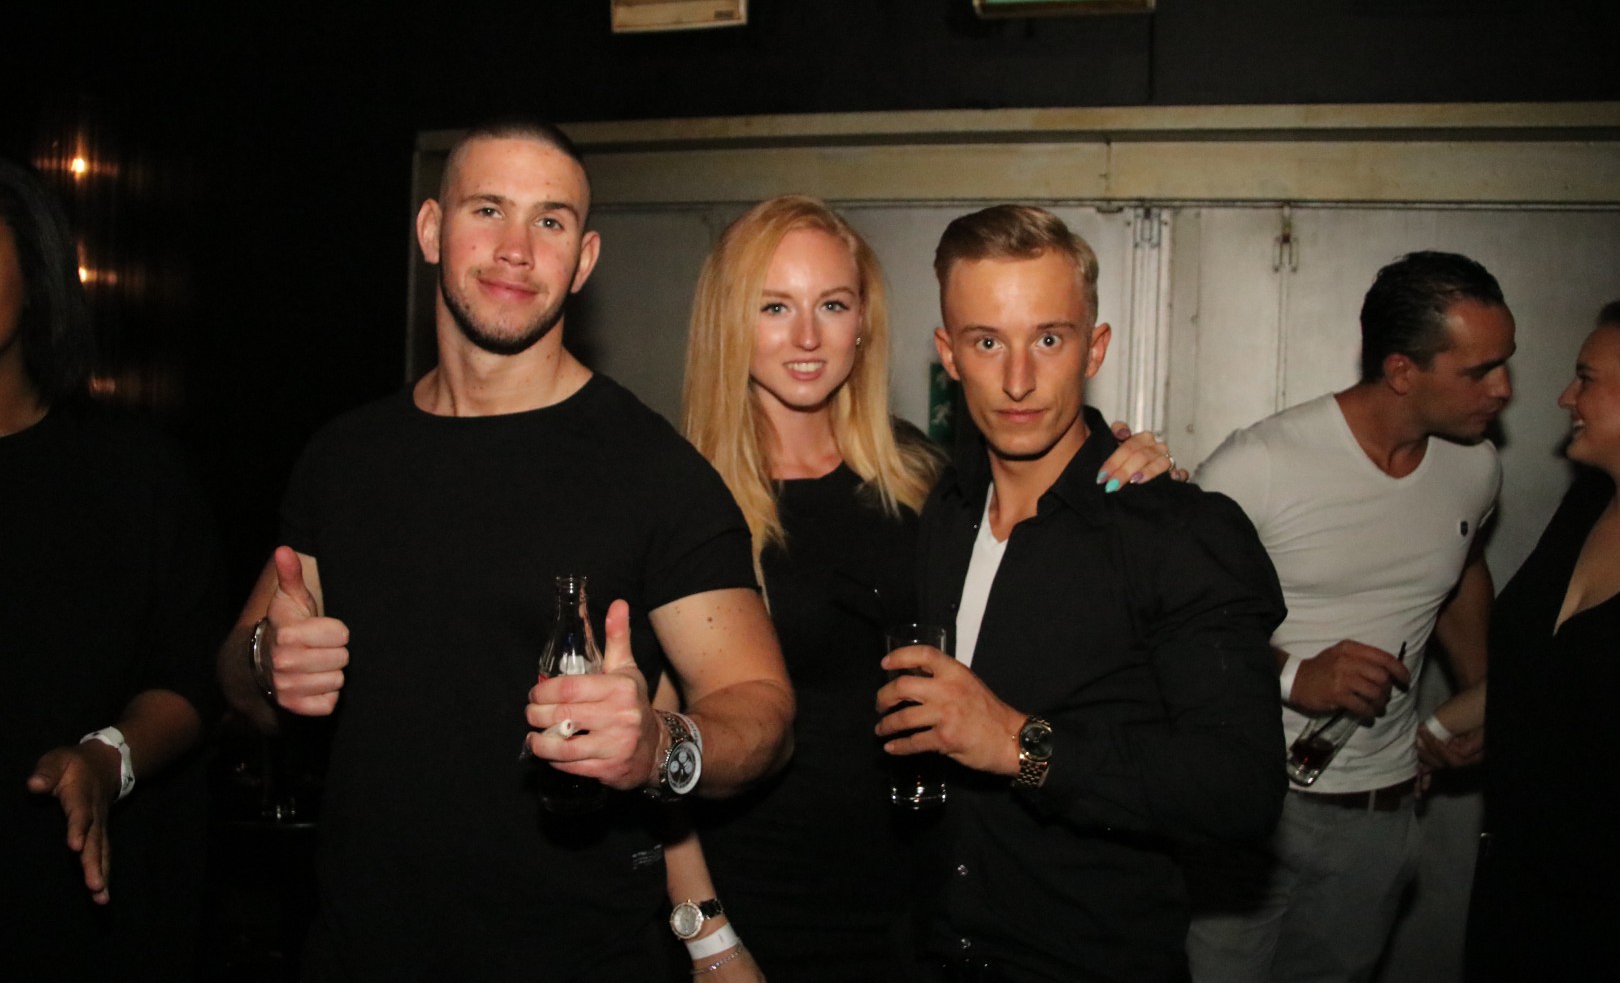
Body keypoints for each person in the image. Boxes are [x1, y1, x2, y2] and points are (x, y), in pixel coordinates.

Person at [216, 120, 795, 981]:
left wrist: (659, 744)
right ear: (430, 230)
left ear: (585, 259)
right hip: (355, 951)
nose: (517, 249)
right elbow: (238, 677)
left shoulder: (654, 472)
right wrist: (268, 661)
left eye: (550, 221)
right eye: (487, 209)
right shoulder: (345, 459)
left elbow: (762, 709)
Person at [661, 196, 1182, 980]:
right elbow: (662, 745)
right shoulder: (685, 500)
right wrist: (707, 936)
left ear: (864, 321)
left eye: (833, 304)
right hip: (767, 898)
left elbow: (1056, 547)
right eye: (774, 306)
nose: (808, 337)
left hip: (932, 899)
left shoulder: (925, 477)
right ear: (727, 322)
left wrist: (1130, 465)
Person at [882, 204, 1286, 982]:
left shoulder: (1177, 531)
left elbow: (1241, 791)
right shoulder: (943, 512)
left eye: (1049, 339)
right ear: (949, 354)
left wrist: (1020, 745)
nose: (1018, 379)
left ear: (1094, 348)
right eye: (987, 342)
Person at [1185, 252, 1512, 983]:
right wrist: (1292, 675)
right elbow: (1170, 622)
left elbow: (1459, 570)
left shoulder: (1476, 467)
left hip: (1378, 816)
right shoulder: (1258, 464)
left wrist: (1480, 696)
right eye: (1479, 371)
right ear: (1401, 371)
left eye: (1505, 363)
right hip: (1248, 809)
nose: (1504, 389)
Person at [0, 157, 225, 978]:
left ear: (35, 269)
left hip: (76, 915)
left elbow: (190, 678)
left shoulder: (134, 475)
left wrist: (105, 760)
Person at [1442, 300, 1620, 981]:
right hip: (1523, 884)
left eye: (1587, 378)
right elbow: (1545, 667)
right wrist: (1433, 730)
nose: (1565, 396)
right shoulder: (1587, 504)